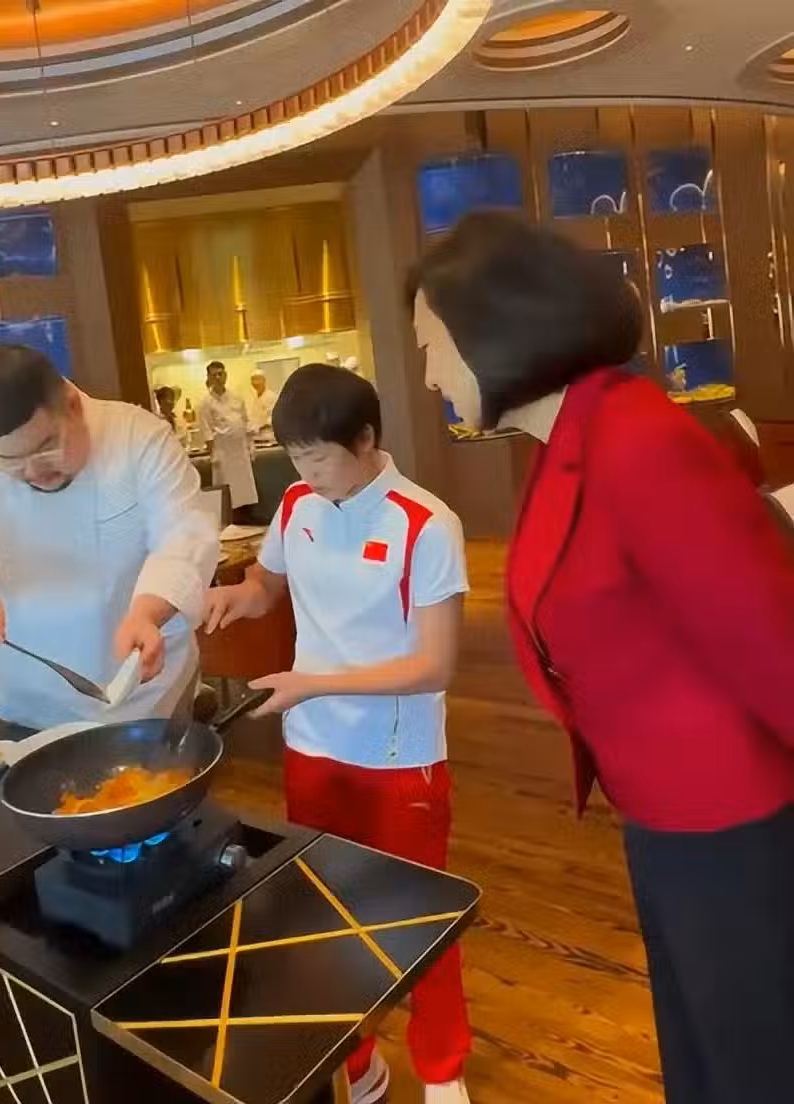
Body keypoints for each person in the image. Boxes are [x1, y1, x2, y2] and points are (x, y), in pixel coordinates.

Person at [408, 211, 794, 1104]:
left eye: (433, 347)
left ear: (495, 331)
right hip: (666, 812)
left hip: (731, 825)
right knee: (705, 1050)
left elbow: (772, 643)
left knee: (755, 1059)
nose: (428, 374)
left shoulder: (638, 440)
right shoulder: (570, 438)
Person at [204, 364, 472, 1104]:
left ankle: (443, 1069)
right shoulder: (298, 503)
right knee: (325, 914)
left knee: (418, 918)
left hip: (398, 754)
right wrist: (235, 597)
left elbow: (435, 665)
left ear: (366, 439)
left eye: (319, 458)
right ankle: (355, 1062)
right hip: (312, 747)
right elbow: (268, 586)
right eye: (296, 458)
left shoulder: (425, 523)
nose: (306, 474)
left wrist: (315, 682)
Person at [0, 344, 219, 732]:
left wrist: (148, 613)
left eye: (46, 448)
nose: (34, 472)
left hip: (147, 695)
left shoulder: (139, 436)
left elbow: (184, 534)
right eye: (9, 462)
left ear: (73, 406)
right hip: (28, 700)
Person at [198, 361, 258, 519]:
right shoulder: (205, 402)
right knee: (228, 493)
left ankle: (247, 522)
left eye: (220, 374)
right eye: (214, 375)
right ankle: (231, 524)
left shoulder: (236, 397)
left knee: (245, 490)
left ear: (225, 375)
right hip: (222, 453)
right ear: (209, 377)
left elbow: (245, 421)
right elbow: (206, 429)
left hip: (240, 451)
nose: (218, 377)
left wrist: (251, 444)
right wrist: (213, 453)